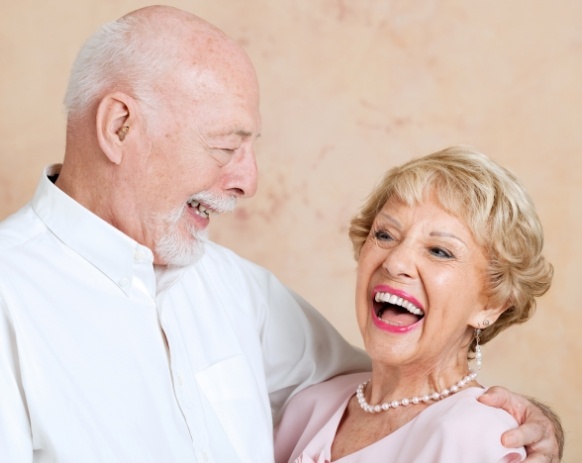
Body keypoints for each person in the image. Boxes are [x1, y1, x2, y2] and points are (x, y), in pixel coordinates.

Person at [0, 6, 561, 463]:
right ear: (120, 127)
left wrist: (519, 421)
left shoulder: (235, 287)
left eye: (251, 148)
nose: (248, 181)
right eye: (225, 147)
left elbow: (398, 385)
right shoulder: (11, 298)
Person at [274, 146, 563, 462]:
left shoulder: (482, 435)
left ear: (491, 304)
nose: (395, 262)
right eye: (385, 235)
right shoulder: (309, 407)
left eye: (439, 251)